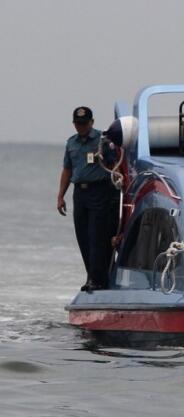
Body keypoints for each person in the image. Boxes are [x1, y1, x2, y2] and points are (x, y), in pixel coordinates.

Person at [57, 106, 119, 291]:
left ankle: (98, 279)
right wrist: (61, 195)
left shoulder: (103, 141)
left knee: (96, 235)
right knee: (82, 236)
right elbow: (67, 169)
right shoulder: (71, 143)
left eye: (84, 124)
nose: (81, 127)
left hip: (99, 191)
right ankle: (92, 275)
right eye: (77, 124)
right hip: (80, 193)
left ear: (91, 123)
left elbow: (116, 164)